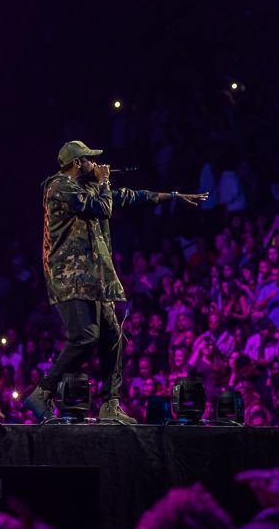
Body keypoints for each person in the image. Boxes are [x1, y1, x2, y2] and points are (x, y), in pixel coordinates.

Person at [25, 140, 208, 423]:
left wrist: (173, 195)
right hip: (70, 277)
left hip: (96, 278)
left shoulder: (89, 187)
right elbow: (101, 209)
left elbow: (130, 197)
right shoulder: (60, 186)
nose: (96, 164)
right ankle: (42, 392)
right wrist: (105, 180)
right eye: (90, 160)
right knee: (86, 336)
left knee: (112, 335)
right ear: (77, 163)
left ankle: (110, 404)